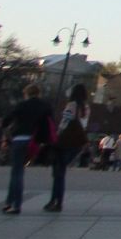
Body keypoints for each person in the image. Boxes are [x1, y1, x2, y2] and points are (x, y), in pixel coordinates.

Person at [2, 85, 52, 213]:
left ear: (27, 93)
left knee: (16, 173)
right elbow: (49, 125)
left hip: (20, 140)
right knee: (20, 170)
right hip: (34, 142)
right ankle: (10, 202)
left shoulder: (22, 105)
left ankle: (14, 203)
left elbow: (7, 120)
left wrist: (6, 128)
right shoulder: (45, 106)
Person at [42, 84, 90, 212]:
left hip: (65, 141)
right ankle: (58, 201)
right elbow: (84, 125)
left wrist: (56, 136)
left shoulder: (72, 105)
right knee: (61, 172)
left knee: (58, 173)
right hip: (77, 142)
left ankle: (55, 200)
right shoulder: (86, 108)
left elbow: (65, 123)